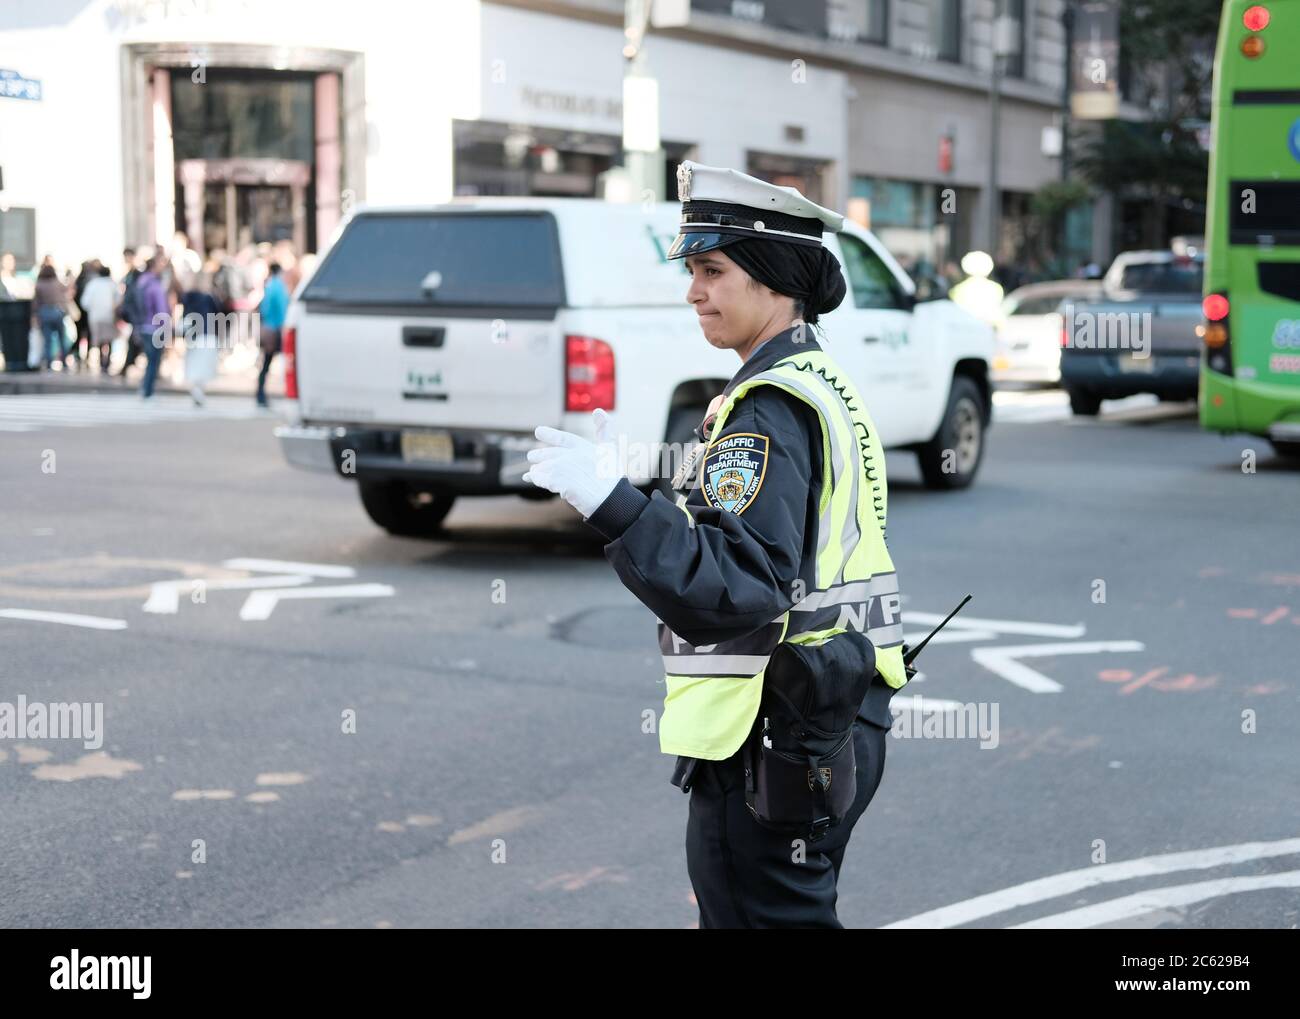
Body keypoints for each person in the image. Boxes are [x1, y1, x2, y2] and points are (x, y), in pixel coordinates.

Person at [523, 161, 911, 928]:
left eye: (712, 269)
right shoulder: (818, 379)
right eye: (693, 269)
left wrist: (614, 505)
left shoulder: (767, 405)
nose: (693, 290)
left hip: (771, 733)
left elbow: (744, 582)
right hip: (837, 715)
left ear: (772, 279)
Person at [180, 259, 225, 406]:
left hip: (194, 336)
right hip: (207, 334)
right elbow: (219, 314)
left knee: (195, 365)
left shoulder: (188, 297)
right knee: (204, 366)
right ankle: (199, 391)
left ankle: (196, 391)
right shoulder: (209, 297)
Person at [135, 251, 171, 400]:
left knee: (150, 359)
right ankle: (147, 390)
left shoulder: (140, 282)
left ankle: (145, 387)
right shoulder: (155, 285)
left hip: (141, 325)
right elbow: (161, 309)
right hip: (154, 327)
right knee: (153, 361)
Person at [256, 261, 289, 408]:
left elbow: (265, 308)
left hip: (269, 328)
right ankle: (262, 394)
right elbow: (282, 309)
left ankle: (260, 394)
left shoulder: (270, 286)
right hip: (276, 330)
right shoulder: (279, 286)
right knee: (278, 362)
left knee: (266, 363)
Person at [79, 263, 119, 374]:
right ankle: (107, 362)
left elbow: (85, 302)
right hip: (109, 315)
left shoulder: (92, 284)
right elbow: (118, 300)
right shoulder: (112, 284)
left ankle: (102, 362)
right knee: (109, 339)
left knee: (100, 340)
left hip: (95, 316)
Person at [33, 264, 72, 370]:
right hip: (57, 311)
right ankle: (64, 361)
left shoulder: (39, 284)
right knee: (62, 338)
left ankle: (49, 362)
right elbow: (66, 291)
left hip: (45, 312)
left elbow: (36, 302)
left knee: (48, 340)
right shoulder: (57, 282)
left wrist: (35, 315)